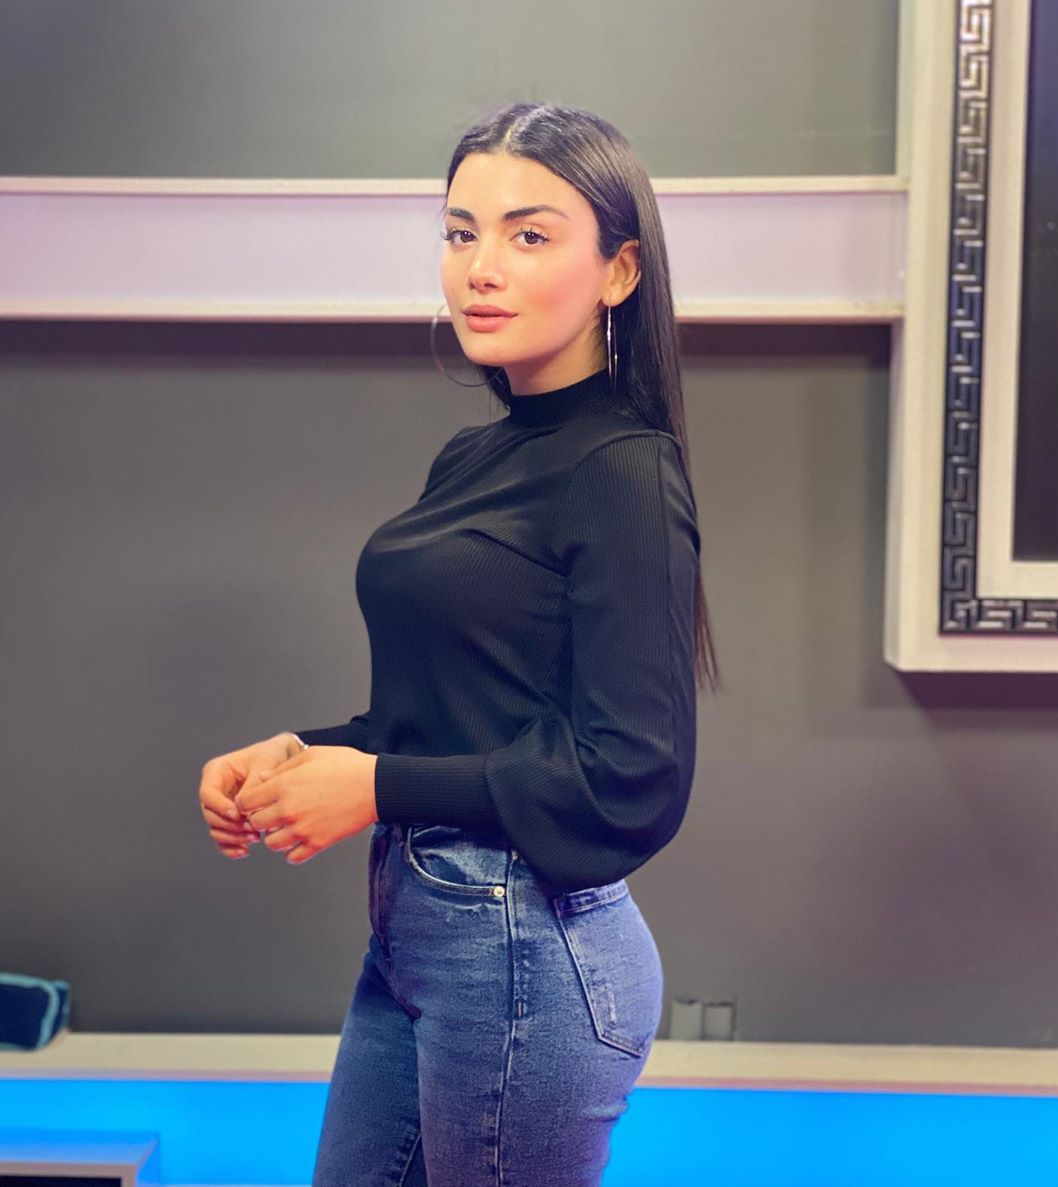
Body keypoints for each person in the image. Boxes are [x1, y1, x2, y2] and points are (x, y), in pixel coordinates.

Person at [197, 102, 718, 1187]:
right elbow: (444, 718)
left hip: (528, 946)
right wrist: (303, 752)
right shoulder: (470, 460)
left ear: (620, 270)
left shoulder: (625, 468)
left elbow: (633, 774)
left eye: (529, 235)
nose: (482, 267)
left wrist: (374, 786)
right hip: (417, 934)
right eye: (460, 231)